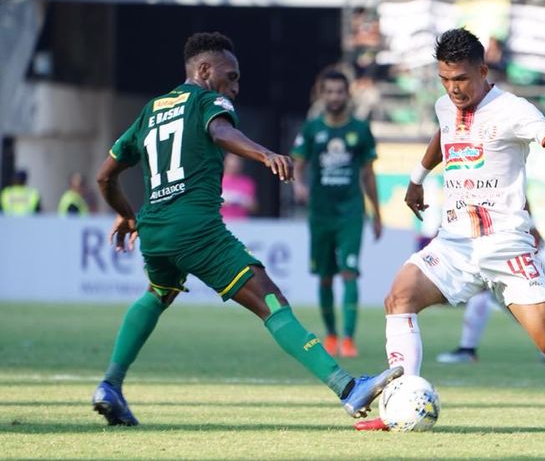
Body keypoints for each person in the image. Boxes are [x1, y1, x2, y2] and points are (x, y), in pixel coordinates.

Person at [91, 32, 402, 427]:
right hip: (197, 228)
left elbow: (105, 177)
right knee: (270, 299)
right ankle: (347, 386)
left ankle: (110, 384)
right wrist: (265, 153)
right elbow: (221, 133)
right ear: (204, 70)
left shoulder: (150, 110)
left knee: (157, 294)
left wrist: (126, 213)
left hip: (154, 228)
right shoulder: (207, 100)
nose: (235, 87)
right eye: (231, 76)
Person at [355, 28, 545, 433]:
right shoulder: (444, 106)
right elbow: (443, 136)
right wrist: (417, 179)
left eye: (462, 80)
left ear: (483, 71)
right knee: (399, 298)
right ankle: (399, 402)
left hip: (506, 244)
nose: (454, 89)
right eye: (445, 81)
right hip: (454, 243)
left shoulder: (513, 110)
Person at [291, 70, 382, 359]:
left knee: (350, 272)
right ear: (322, 95)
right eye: (329, 92)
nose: (334, 97)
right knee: (326, 277)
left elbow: (368, 174)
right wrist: (299, 185)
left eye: (339, 92)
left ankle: (349, 339)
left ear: (347, 95)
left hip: (350, 213)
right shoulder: (311, 129)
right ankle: (330, 334)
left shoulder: (360, 130)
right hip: (321, 213)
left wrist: (376, 214)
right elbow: (298, 163)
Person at [437, 221, 543, 364]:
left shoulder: (509, 207)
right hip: (488, 261)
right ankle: (467, 350)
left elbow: (535, 235)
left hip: (510, 263)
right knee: (480, 299)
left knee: (520, 310)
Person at [220, 153, 258, 219]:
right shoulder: (217, 181)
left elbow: (254, 207)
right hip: (221, 220)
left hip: (241, 222)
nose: (234, 168)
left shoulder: (247, 182)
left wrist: (244, 202)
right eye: (231, 166)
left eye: (236, 166)